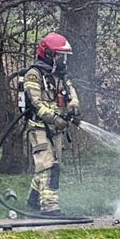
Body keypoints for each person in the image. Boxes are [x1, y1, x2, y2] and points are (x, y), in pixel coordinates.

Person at [23, 32, 79, 216]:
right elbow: (35, 102)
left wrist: (73, 107)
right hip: (38, 128)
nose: (62, 60)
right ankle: (49, 207)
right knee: (48, 166)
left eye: (64, 56)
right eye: (58, 55)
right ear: (47, 54)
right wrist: (54, 118)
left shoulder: (60, 76)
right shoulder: (33, 75)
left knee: (51, 165)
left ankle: (33, 200)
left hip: (56, 130)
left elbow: (72, 94)